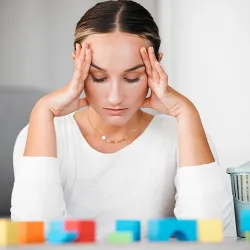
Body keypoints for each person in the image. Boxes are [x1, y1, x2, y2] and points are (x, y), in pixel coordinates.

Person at [11, 0, 233, 240]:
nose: (115, 97)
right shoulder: (43, 133)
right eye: (98, 77)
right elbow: (34, 236)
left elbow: (210, 236)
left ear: (155, 65)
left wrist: (187, 112)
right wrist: (42, 111)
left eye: (132, 78)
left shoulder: (181, 135)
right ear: (78, 65)